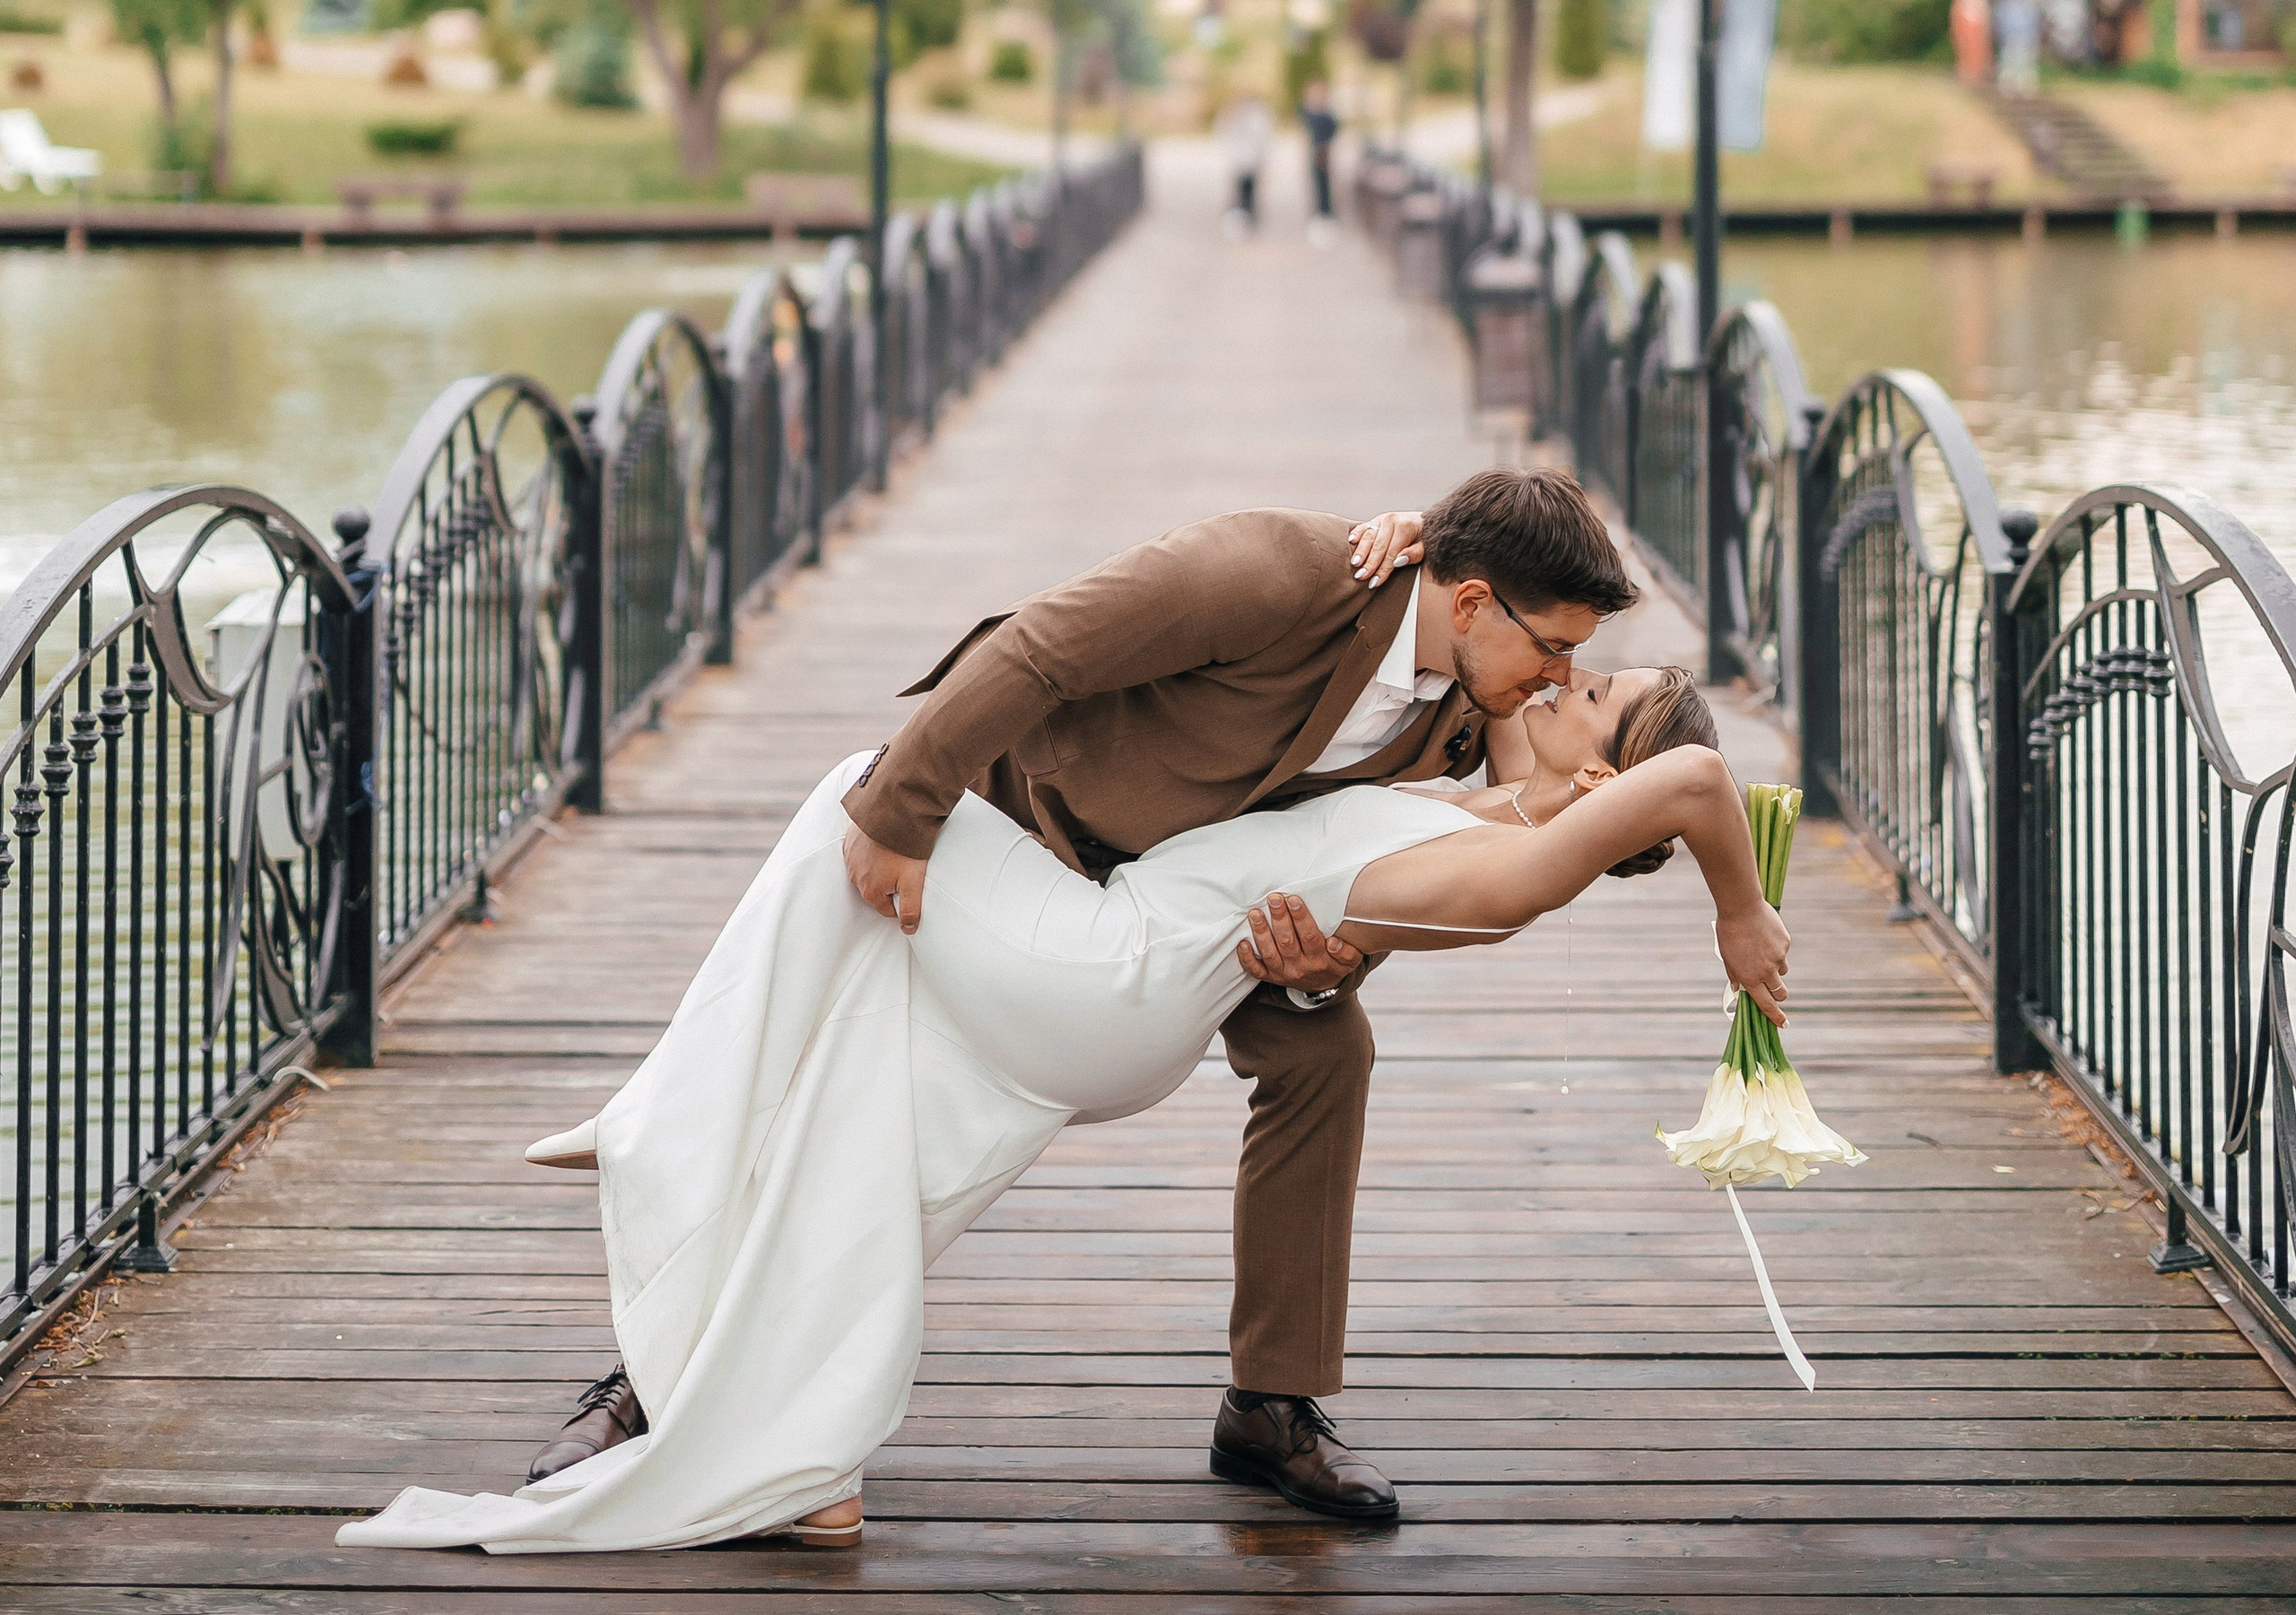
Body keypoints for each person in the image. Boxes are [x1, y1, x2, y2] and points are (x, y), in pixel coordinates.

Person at [337, 640, 1782, 1558]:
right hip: (1122, 965)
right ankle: (797, 1447)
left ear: (1610, 773)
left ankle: (668, 1110)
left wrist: (1743, 916)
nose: (1559, 676)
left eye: (1591, 689)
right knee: (868, 1106)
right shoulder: (1478, 799)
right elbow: (1350, 873)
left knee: (871, 783)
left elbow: (1705, 774)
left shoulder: (1536, 860)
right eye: (1565, 654)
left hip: (1114, 969)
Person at [1218, 91, 1272, 234]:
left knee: (1249, 193)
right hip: (1239, 162)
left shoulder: (1258, 116)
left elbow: (1262, 139)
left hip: (1252, 161)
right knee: (1238, 193)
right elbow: (1223, 132)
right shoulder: (1233, 115)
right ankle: (1239, 221)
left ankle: (1249, 221)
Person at [1299, 81, 1341, 241]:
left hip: (1324, 152)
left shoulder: (1326, 112)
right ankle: (1320, 213)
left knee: (1325, 185)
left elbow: (1332, 129)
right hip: (1316, 152)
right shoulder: (1311, 111)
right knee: (1317, 184)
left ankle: (1326, 213)